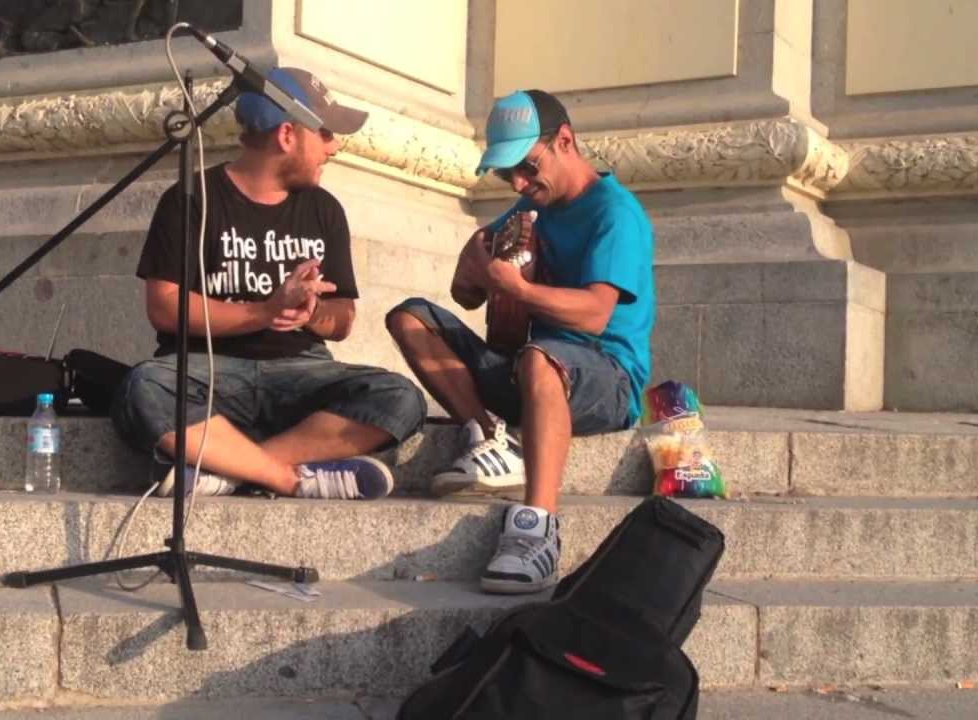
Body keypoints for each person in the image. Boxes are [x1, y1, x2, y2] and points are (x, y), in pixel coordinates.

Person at [112, 67, 427, 501]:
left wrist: (311, 312)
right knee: (143, 387)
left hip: (301, 371)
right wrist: (266, 310)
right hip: (211, 372)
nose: (334, 147)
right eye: (325, 132)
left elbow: (343, 320)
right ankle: (287, 478)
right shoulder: (191, 197)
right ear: (287, 135)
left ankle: (230, 468)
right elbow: (165, 308)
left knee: (400, 397)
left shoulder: (324, 208)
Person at [386, 89, 656, 593]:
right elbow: (466, 296)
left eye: (528, 167)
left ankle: (538, 529)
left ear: (566, 142)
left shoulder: (615, 214)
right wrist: (474, 268)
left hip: (606, 377)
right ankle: (490, 436)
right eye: (508, 173)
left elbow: (596, 314)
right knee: (410, 319)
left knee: (539, 358)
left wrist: (519, 290)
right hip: (532, 369)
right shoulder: (529, 205)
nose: (519, 182)